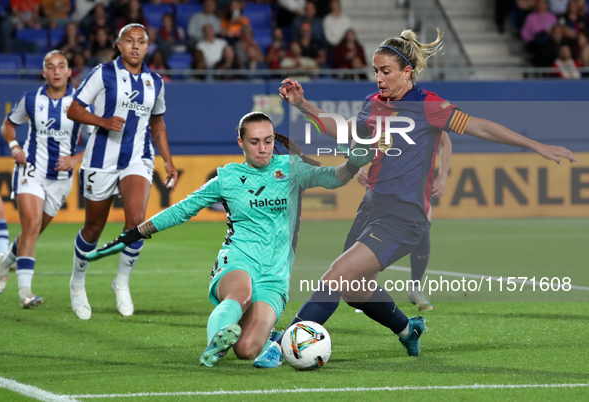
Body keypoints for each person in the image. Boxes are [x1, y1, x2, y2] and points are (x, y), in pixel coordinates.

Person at [254, 28, 577, 368]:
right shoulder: (373, 104)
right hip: (371, 207)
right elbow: (346, 131)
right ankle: (408, 329)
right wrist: (303, 104)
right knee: (352, 290)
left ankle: (284, 343)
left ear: (407, 72)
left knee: (335, 278)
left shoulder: (429, 105)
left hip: (404, 215)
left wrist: (535, 145)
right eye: (376, 71)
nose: (378, 78)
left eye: (385, 71)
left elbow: (480, 126)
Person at [84, 111, 373, 367]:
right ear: (241, 143)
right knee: (240, 294)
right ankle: (214, 343)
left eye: (269, 141)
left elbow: (331, 177)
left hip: (275, 274)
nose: (263, 149)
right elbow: (182, 210)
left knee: (247, 350)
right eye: (255, 142)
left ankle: (247, 331)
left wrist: (351, 165)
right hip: (238, 259)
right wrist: (132, 234)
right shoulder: (228, 177)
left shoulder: (292, 169)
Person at [66, 23, 178, 320]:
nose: (136, 46)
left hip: (138, 158)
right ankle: (77, 283)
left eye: (141, 41)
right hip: (100, 159)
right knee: (93, 228)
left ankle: (122, 282)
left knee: (137, 222)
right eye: (130, 41)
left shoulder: (155, 81)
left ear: (148, 46)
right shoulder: (103, 73)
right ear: (119, 44)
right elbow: (74, 109)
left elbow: (158, 124)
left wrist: (167, 160)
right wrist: (102, 122)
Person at [0, 50, 87, 308]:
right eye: (51, 67)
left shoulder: (81, 103)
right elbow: (8, 125)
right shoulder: (31, 99)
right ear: (44, 72)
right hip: (31, 170)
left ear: (69, 71)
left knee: (32, 232)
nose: (56, 71)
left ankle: (4, 263)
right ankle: (26, 293)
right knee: (32, 224)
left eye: (61, 66)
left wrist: (75, 159)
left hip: (61, 180)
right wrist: (14, 146)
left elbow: (97, 139)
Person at [356, 131, 451, 311]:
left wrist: (442, 176)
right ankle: (366, 292)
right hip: (384, 184)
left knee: (423, 232)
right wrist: (358, 165)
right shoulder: (378, 106)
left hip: (417, 184)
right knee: (374, 235)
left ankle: (415, 288)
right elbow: (358, 133)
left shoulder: (425, 108)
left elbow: (444, 141)